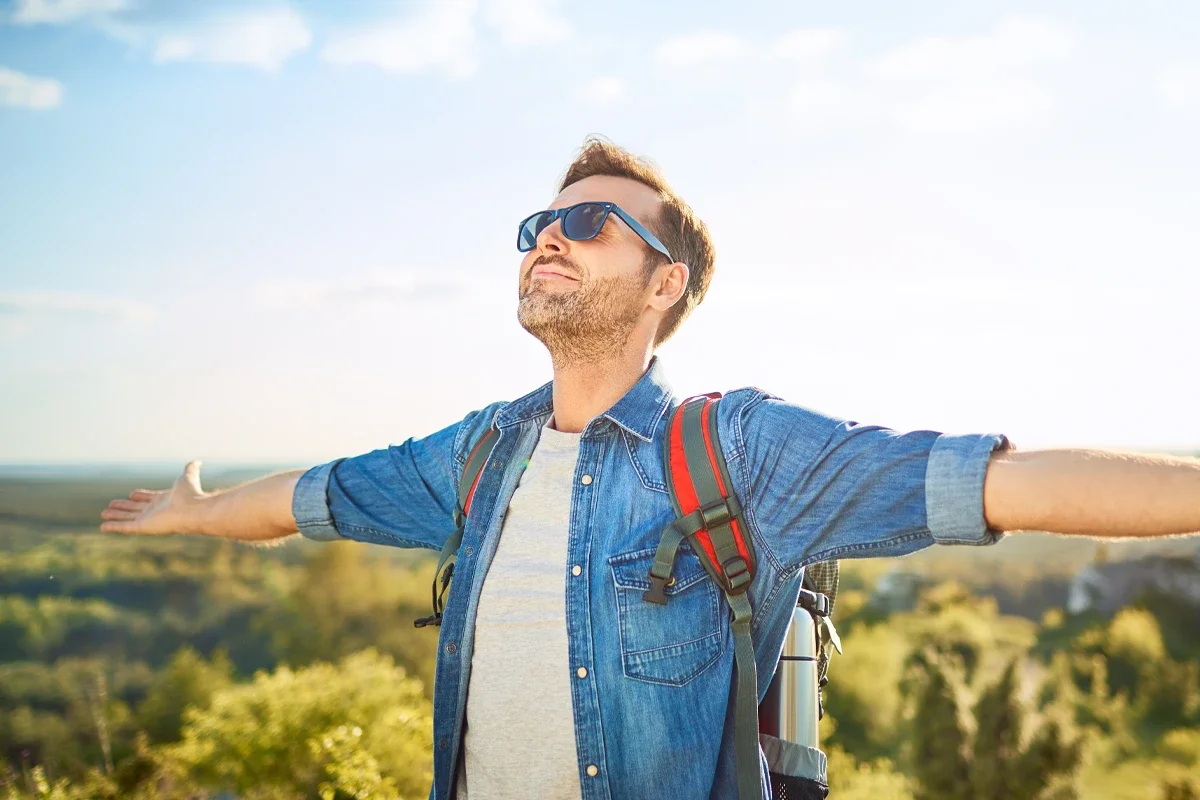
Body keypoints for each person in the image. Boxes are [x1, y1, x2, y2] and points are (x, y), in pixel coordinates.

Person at [99, 136, 1200, 800]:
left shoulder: (744, 454)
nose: (547, 236)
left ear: (664, 283)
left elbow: (1000, 480)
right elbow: (311, 497)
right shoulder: (479, 450)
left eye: (586, 221)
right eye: (540, 220)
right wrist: (193, 514)